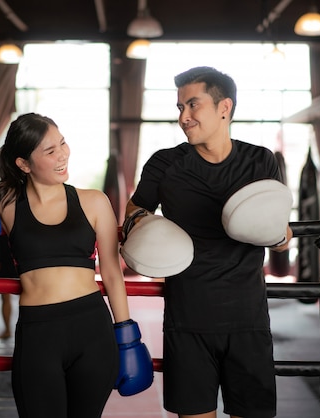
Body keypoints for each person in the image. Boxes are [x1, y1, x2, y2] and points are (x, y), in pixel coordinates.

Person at [0, 113, 153, 418]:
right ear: (23, 163)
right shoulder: (5, 199)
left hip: (92, 330)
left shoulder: (93, 201)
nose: (62, 154)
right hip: (39, 333)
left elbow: (113, 275)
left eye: (62, 143)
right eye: (50, 151)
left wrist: (128, 336)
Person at [125, 66, 293, 418]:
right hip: (188, 319)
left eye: (192, 105)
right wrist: (143, 224)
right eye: (179, 108)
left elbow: (278, 233)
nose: (183, 117)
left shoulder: (259, 160)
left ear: (224, 107)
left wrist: (279, 237)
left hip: (247, 318)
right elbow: (134, 209)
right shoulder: (165, 164)